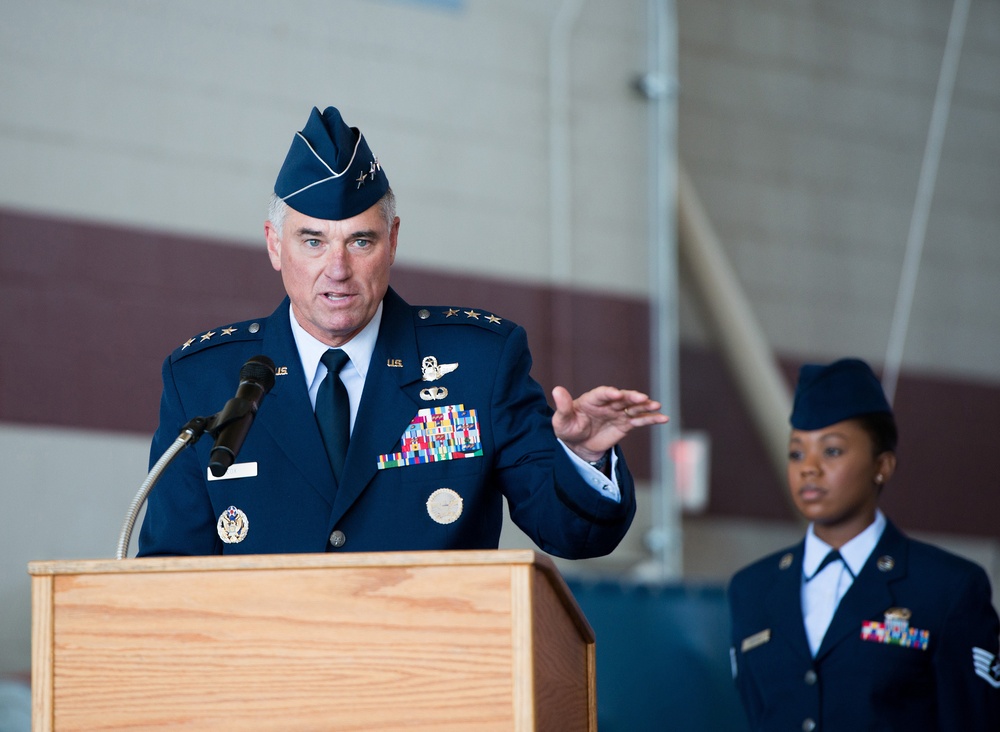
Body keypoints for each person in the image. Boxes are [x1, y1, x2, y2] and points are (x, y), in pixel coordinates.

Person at [138, 105, 667, 559]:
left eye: (360, 242)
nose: (338, 268)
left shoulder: (479, 364)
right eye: (313, 241)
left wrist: (583, 458)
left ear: (392, 242)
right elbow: (168, 575)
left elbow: (572, 535)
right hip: (269, 673)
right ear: (275, 245)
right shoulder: (204, 382)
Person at [728, 357, 1000, 731]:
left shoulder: (946, 588)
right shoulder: (752, 589)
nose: (809, 467)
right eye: (796, 452)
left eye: (833, 450)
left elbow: (974, 720)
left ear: (882, 466)